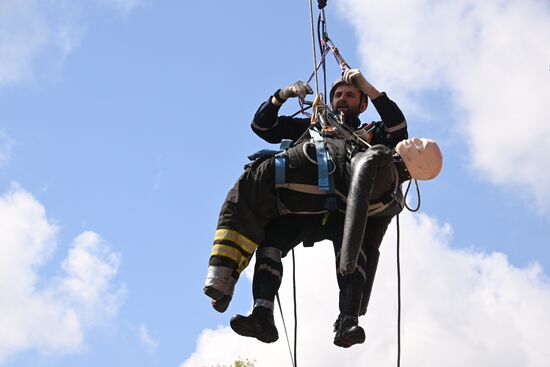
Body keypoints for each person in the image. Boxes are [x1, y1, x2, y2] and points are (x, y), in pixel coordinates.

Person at [203, 69, 415, 347]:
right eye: (338, 94)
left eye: (350, 95)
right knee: (271, 241)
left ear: (362, 104)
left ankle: (348, 322)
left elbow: (399, 129)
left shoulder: (371, 133)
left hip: (344, 208)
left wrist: (369, 87)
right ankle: (260, 314)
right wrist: (282, 96)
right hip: (304, 205)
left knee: (353, 250)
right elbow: (261, 127)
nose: (342, 99)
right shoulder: (311, 126)